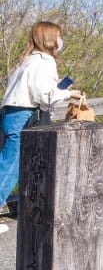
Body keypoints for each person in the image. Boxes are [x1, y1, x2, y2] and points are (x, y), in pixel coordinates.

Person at [1, 22, 77, 230]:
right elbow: (44, 96)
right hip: (24, 114)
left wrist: (56, 87)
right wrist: (68, 93)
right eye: (59, 36)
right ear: (51, 38)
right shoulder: (45, 61)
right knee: (11, 168)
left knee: (8, 162)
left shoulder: (25, 60)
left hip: (10, 113)